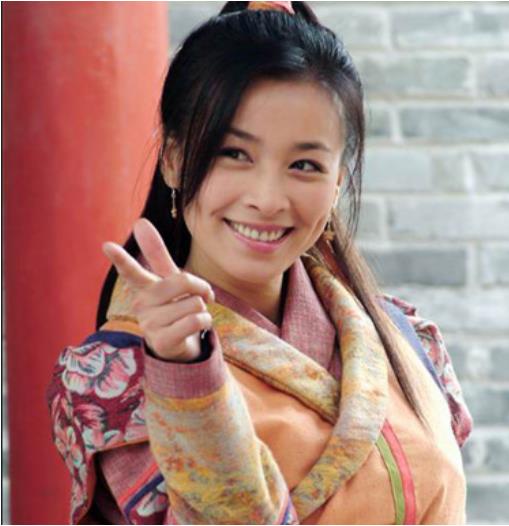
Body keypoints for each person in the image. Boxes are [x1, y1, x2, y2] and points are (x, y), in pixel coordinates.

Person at [47, 1, 473, 524]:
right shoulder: (116, 378)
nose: (268, 199)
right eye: (234, 154)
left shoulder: (404, 339)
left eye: (304, 164)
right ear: (174, 159)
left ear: (337, 183)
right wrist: (186, 378)